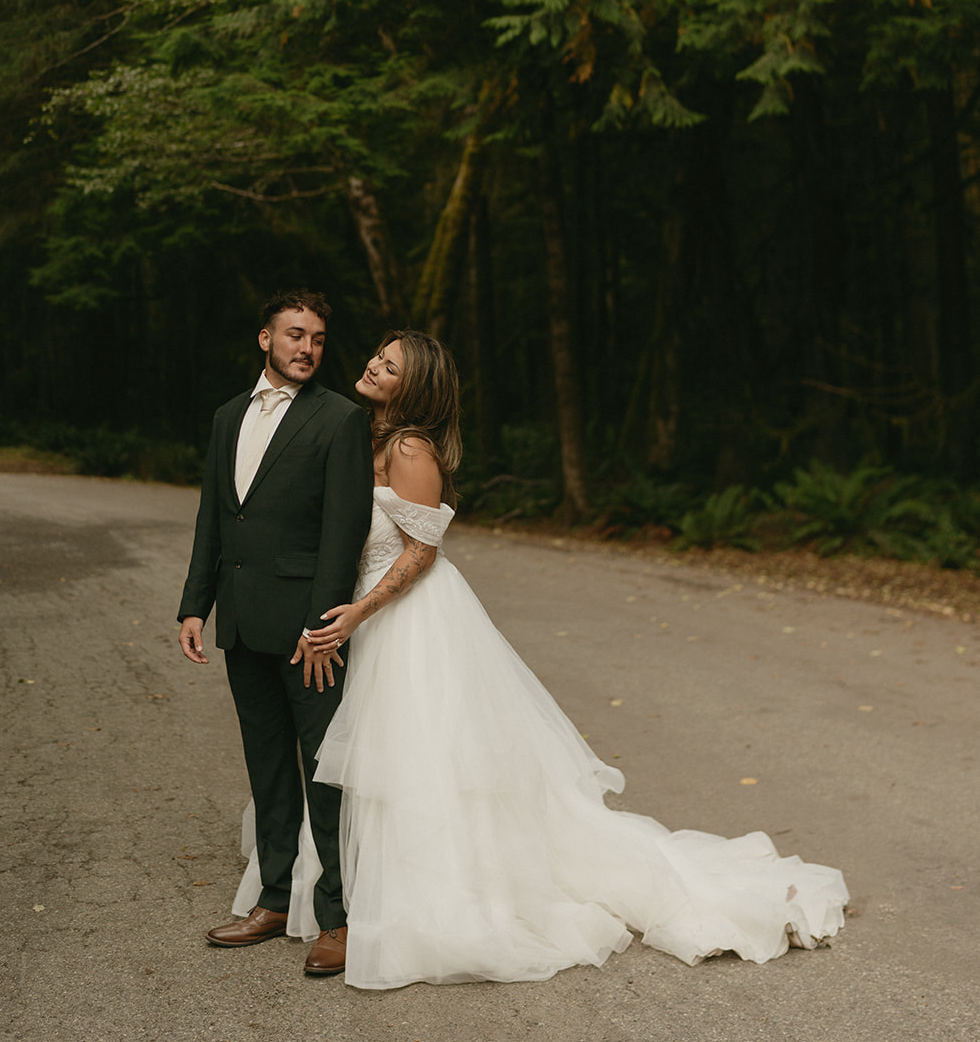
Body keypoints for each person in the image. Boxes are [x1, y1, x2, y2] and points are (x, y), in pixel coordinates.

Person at [231, 326, 849, 988]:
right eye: (377, 358)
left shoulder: (411, 449)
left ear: (417, 387)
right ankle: (347, 889)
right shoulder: (360, 434)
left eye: (391, 366)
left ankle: (418, 897)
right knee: (365, 759)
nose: (375, 367)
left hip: (407, 620)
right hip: (362, 616)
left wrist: (356, 612)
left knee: (416, 756)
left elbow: (419, 551)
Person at [177, 289, 373, 978]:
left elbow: (342, 532)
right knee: (267, 768)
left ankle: (339, 918)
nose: (306, 348)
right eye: (294, 335)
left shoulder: (340, 420)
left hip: (305, 633)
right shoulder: (228, 416)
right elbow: (214, 517)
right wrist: (194, 605)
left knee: (325, 773)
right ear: (265, 339)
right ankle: (270, 899)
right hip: (241, 623)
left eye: (317, 338)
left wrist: (321, 628)